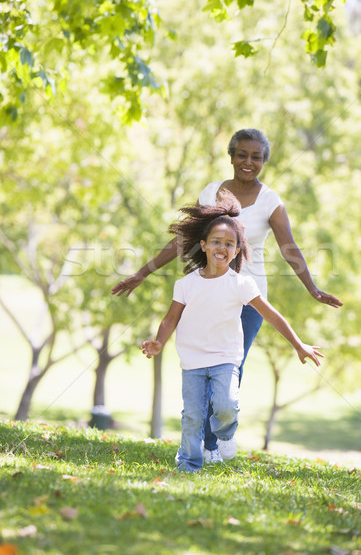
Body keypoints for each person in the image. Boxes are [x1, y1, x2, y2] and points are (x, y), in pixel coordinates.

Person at [112, 128, 342, 460]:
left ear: (264, 161)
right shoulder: (211, 192)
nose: (248, 162)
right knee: (202, 363)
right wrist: (142, 272)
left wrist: (312, 288)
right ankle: (204, 442)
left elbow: (289, 248)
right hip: (205, 292)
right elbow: (184, 240)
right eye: (242, 155)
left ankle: (213, 442)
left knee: (231, 365)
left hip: (247, 296)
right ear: (231, 156)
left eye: (256, 157)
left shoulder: (270, 201)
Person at [140, 192, 324, 472]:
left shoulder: (242, 284)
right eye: (216, 241)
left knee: (225, 406)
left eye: (229, 244)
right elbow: (170, 319)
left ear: (237, 251)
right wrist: (159, 342)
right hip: (192, 360)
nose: (222, 247)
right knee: (192, 415)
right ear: (203, 245)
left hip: (226, 358)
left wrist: (298, 344)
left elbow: (271, 315)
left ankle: (225, 434)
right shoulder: (186, 284)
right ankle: (189, 463)